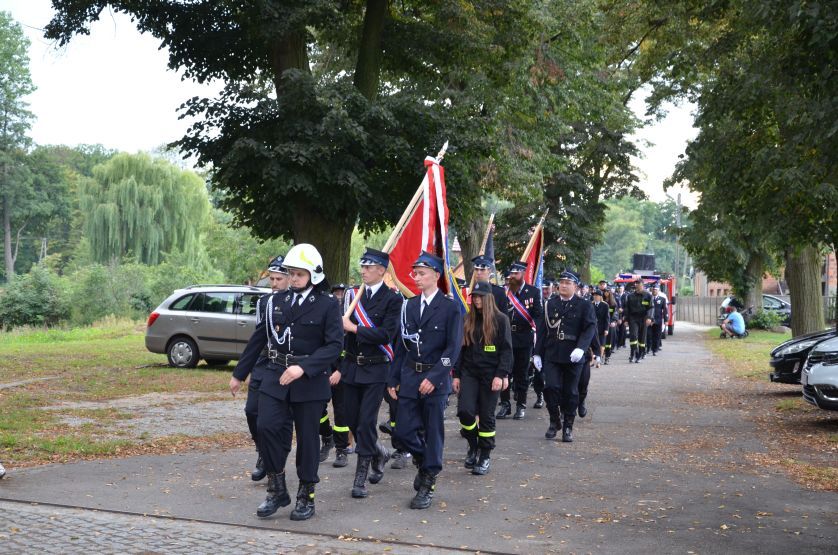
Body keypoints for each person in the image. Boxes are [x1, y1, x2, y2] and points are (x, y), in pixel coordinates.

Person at [234, 243, 343, 520]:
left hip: (309, 381)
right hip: (275, 376)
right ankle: (276, 488)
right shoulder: (275, 302)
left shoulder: (328, 305)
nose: (293, 279)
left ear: (314, 275)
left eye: (299, 274)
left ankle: (306, 495)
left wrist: (303, 368)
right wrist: (239, 373)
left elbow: (333, 346)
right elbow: (260, 337)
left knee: (308, 440)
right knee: (265, 426)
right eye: (291, 274)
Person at [388, 252, 463, 510]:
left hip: (435, 379)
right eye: (414, 273)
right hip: (410, 376)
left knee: (433, 432)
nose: (416, 278)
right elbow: (402, 346)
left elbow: (452, 350)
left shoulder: (451, 307)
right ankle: (424, 460)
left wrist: (434, 377)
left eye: (421, 273)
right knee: (403, 431)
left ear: (435, 275)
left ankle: (428, 481)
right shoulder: (408, 305)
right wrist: (393, 377)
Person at [339, 248, 402, 498]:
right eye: (362, 266)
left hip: (376, 368)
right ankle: (380, 453)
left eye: (369, 267)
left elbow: (386, 334)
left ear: (381, 271)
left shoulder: (392, 299)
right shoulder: (352, 295)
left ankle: (360, 478)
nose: (363, 270)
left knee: (366, 423)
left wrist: (353, 328)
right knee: (351, 420)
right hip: (352, 367)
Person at [230, 255, 289, 482]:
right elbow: (257, 337)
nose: (274, 283)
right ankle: (263, 452)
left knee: (280, 418)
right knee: (251, 411)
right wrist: (239, 374)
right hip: (262, 362)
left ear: (288, 279)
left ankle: (275, 457)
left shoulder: (294, 303)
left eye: (278, 279)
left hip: (283, 366)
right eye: (272, 279)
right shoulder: (264, 303)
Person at [452, 281, 513, 476]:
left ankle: (485, 455)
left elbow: (506, 351)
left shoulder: (501, 320)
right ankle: (473, 445)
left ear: (488, 298)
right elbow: (460, 350)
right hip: (470, 372)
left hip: (491, 374)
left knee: (487, 416)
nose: (476, 299)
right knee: (465, 412)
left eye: (480, 296)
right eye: (474, 296)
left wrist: (501, 375)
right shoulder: (467, 319)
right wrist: (456, 375)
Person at [534, 270, 596, 443]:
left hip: (573, 355)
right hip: (553, 352)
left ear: (575, 286)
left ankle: (568, 425)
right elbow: (542, 330)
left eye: (568, 283)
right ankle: (554, 421)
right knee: (550, 388)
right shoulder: (550, 304)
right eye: (561, 282)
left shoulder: (584, 305)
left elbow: (590, 328)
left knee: (571, 392)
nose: (563, 285)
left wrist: (582, 348)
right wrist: (537, 353)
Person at [497, 261, 543, 420]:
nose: (512, 277)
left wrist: (536, 331)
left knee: (521, 373)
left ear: (523, 274)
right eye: (511, 274)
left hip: (524, 338)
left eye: (515, 274)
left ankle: (521, 405)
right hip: (506, 338)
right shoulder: (503, 292)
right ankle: (504, 405)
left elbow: (538, 315)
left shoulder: (533, 292)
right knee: (504, 371)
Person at [623, 280, 653, 363]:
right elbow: (627, 309)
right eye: (636, 284)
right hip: (633, 318)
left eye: (638, 284)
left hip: (644, 318)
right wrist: (625, 319)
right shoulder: (630, 296)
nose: (636, 285)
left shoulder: (648, 295)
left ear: (642, 285)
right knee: (633, 336)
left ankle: (640, 354)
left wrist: (649, 318)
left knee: (642, 339)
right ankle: (633, 354)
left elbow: (651, 308)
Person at [591, 289, 610, 361]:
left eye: (597, 295)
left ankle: (599, 360)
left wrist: (606, 329)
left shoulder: (605, 305)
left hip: (602, 327)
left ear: (600, 296)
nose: (595, 297)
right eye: (594, 295)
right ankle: (593, 359)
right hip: (593, 327)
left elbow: (607, 318)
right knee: (593, 344)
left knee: (602, 344)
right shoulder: (591, 304)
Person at [649, 285, 668, 354]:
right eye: (653, 290)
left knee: (657, 335)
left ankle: (655, 349)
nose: (654, 291)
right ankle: (649, 348)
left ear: (658, 291)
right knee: (649, 335)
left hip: (658, 320)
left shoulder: (662, 299)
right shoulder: (649, 298)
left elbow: (665, 310)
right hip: (649, 320)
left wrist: (666, 320)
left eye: (656, 290)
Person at [603, 288, 618, 363]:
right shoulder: (601, 302)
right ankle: (601, 355)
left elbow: (615, 313)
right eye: (605, 291)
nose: (606, 293)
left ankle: (607, 356)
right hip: (602, 324)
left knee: (608, 342)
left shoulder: (613, 303)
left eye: (607, 291)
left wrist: (614, 321)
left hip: (610, 324)